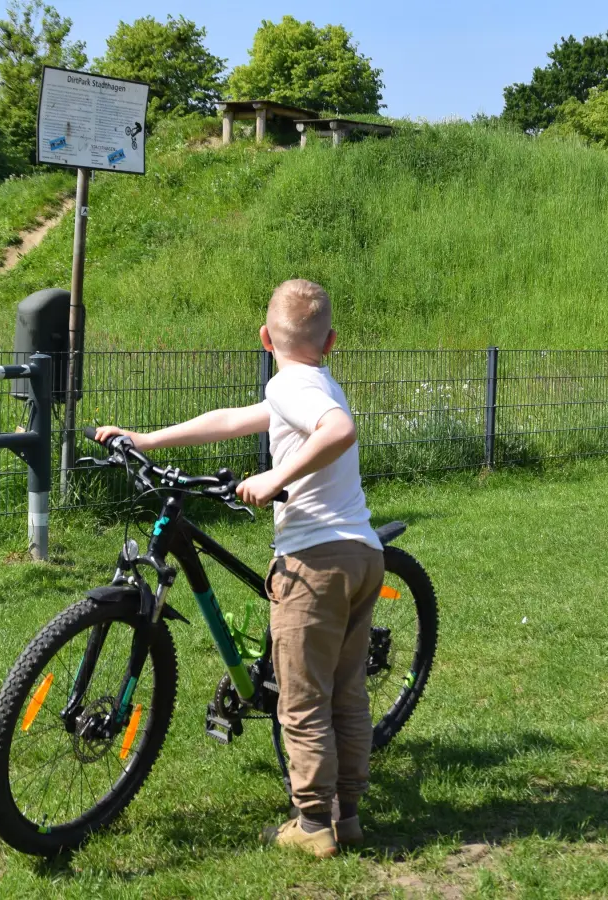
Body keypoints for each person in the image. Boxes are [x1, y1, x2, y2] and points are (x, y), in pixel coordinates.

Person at [94, 278, 383, 858]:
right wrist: (148, 439)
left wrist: (277, 479)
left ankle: (311, 824)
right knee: (346, 694)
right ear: (331, 341)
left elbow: (339, 431)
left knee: (300, 699)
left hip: (314, 562)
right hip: (362, 553)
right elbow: (231, 419)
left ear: (263, 339)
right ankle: (346, 816)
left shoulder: (293, 385)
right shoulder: (311, 383)